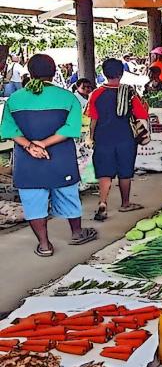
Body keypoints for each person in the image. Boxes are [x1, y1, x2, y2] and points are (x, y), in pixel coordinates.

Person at [0, 54, 98, 256]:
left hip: (28, 161)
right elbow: (71, 128)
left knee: (33, 201)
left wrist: (30, 147)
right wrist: (44, 143)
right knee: (68, 194)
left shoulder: (15, 99)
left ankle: (44, 245)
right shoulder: (67, 97)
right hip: (60, 159)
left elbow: (8, 129)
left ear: (30, 72)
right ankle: (77, 233)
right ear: (54, 73)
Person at [87, 58, 147, 221]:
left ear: (104, 73)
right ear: (121, 73)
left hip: (103, 137)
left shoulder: (96, 93)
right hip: (125, 137)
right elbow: (142, 114)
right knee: (125, 171)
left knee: (105, 173)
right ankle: (125, 203)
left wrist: (91, 137)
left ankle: (103, 202)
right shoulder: (129, 92)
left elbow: (93, 119)